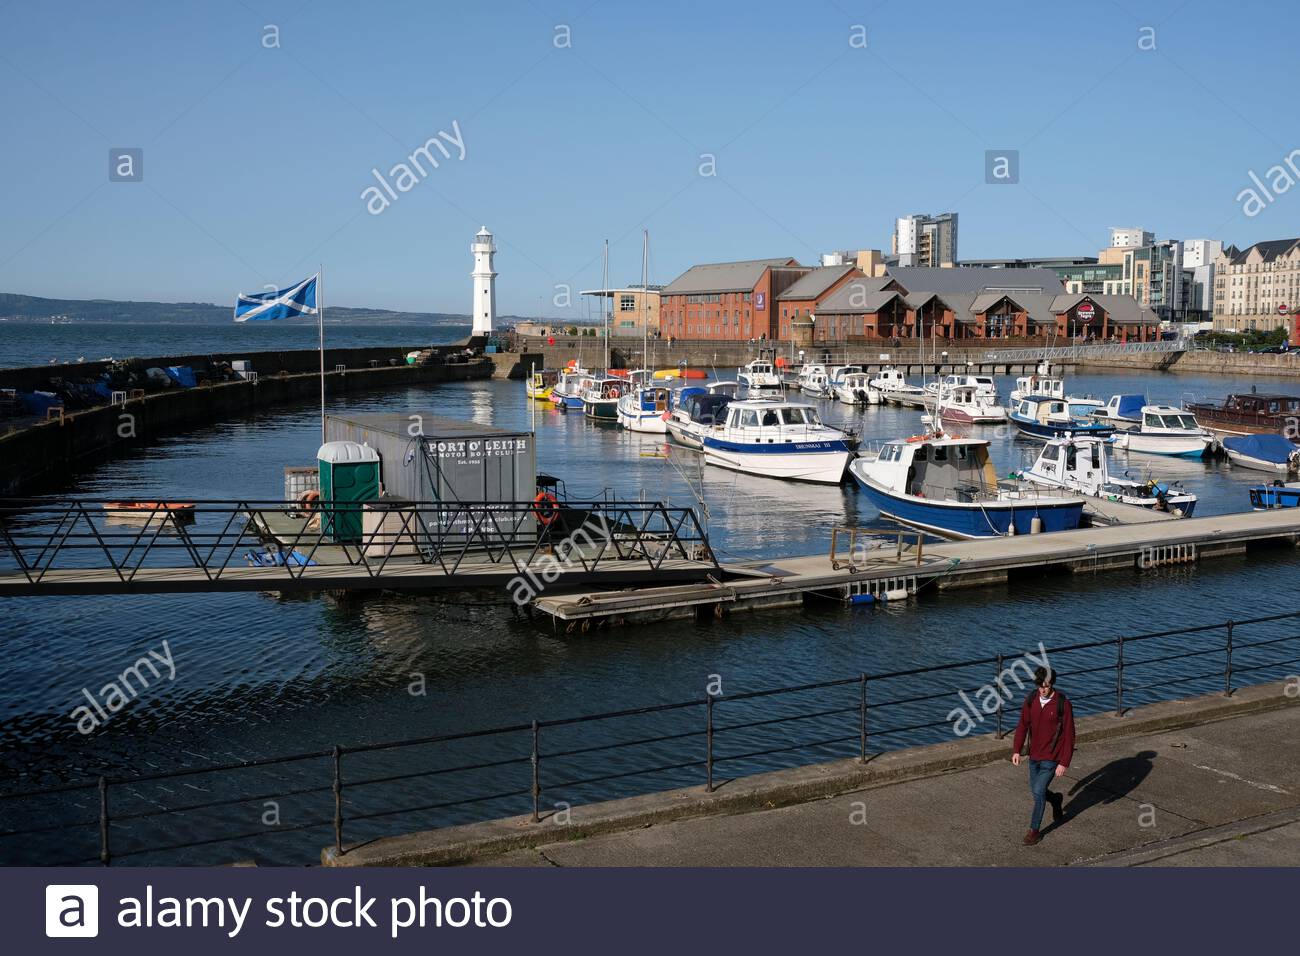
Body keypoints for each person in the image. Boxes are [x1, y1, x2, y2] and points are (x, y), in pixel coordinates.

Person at [1011, 666, 1075, 846]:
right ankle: (1055, 799)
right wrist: (1017, 750)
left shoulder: (1063, 704)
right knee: (1036, 791)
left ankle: (1034, 831)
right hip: (1034, 755)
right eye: (1040, 686)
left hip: (1051, 757)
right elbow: (1022, 725)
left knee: (1038, 791)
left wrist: (1064, 762)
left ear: (1052, 684)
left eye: (1046, 686)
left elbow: (1069, 735)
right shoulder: (1031, 699)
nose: (1042, 690)